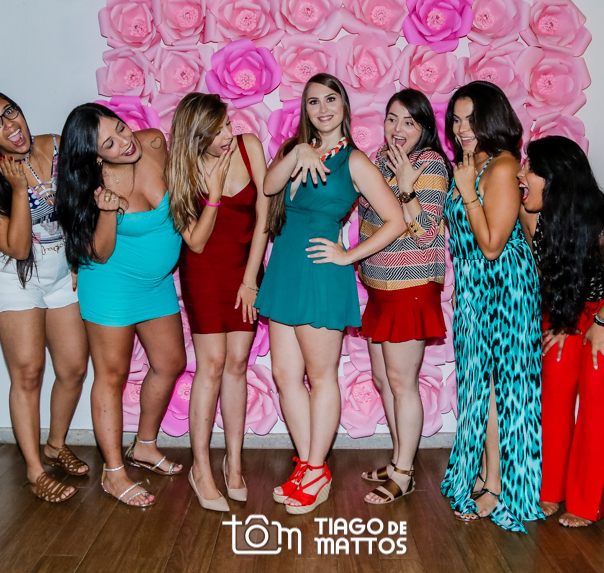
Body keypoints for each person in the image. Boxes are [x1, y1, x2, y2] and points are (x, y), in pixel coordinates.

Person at [255, 73, 406, 514]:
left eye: (330, 99)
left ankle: (317, 469)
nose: (322, 109)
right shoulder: (296, 151)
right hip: (285, 271)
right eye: (313, 101)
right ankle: (309, 465)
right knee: (285, 375)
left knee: (321, 377)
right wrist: (298, 151)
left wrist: (349, 255)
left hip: (321, 274)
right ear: (305, 110)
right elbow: (269, 186)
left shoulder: (354, 161)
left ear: (344, 105)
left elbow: (396, 221)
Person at [54, 103, 186, 508]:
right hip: (111, 283)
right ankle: (113, 472)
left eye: (120, 128)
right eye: (109, 144)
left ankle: (144, 445)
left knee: (170, 363)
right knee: (112, 375)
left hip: (157, 284)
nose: (124, 142)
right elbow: (101, 252)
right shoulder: (92, 187)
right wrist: (108, 211)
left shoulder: (153, 143)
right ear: (95, 156)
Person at [517, 136, 604, 528]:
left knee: (595, 383)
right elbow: (548, 275)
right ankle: (550, 489)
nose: (520, 174)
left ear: (555, 180)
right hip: (574, 300)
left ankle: (588, 501)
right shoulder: (531, 215)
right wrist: (565, 323)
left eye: (530, 169)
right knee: (556, 375)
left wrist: (602, 324)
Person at [0, 88, 90, 503]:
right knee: (29, 373)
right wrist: (18, 189)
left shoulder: (55, 146)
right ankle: (35, 471)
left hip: (60, 273)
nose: (9, 125)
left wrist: (78, 253)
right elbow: (18, 249)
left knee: (73, 368)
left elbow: (82, 200)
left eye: (10, 112)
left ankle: (55, 445)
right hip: (16, 279)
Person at [439, 81, 543, 531]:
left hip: (505, 286)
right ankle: (483, 472)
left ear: (493, 119)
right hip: (474, 289)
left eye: (472, 119)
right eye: (456, 120)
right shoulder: (470, 164)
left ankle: (498, 484)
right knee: (478, 385)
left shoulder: (501, 166)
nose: (462, 128)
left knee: (500, 389)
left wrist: (466, 191)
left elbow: (493, 245)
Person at [167, 93, 269, 511]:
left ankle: (235, 463)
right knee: (210, 364)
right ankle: (201, 468)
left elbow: (265, 216)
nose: (228, 135)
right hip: (204, 272)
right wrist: (212, 194)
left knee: (238, 363)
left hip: (244, 270)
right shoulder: (182, 169)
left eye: (227, 124)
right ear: (196, 136)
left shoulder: (249, 147)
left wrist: (250, 279)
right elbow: (194, 241)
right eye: (216, 131)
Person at [357, 89, 451, 505]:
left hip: (410, 288)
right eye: (392, 118)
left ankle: (405, 473)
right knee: (383, 380)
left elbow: (427, 233)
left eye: (409, 122)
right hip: (379, 288)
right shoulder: (379, 159)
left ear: (424, 128)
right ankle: (399, 459)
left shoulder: (429, 164)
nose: (397, 128)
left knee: (402, 382)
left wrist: (409, 188)